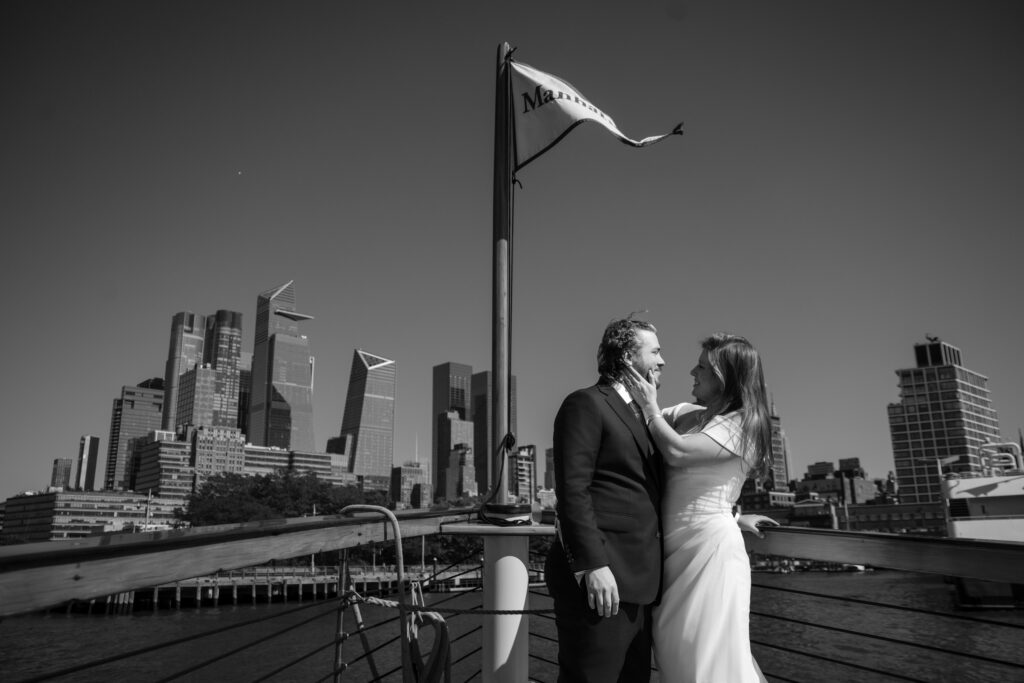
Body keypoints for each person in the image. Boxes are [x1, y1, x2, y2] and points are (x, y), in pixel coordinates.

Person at [624, 332, 777, 683]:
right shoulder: (686, 415)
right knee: (674, 650)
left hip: (710, 556)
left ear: (727, 377)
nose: (692, 372)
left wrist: (649, 406)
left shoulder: (744, 424)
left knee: (708, 656)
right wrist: (736, 515)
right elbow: (632, 427)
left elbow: (677, 452)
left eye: (703, 367)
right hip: (673, 554)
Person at [545, 316, 666, 682]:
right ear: (629, 356)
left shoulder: (646, 417)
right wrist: (592, 566)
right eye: (655, 351)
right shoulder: (586, 404)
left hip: (640, 587)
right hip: (601, 585)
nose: (663, 361)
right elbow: (572, 491)